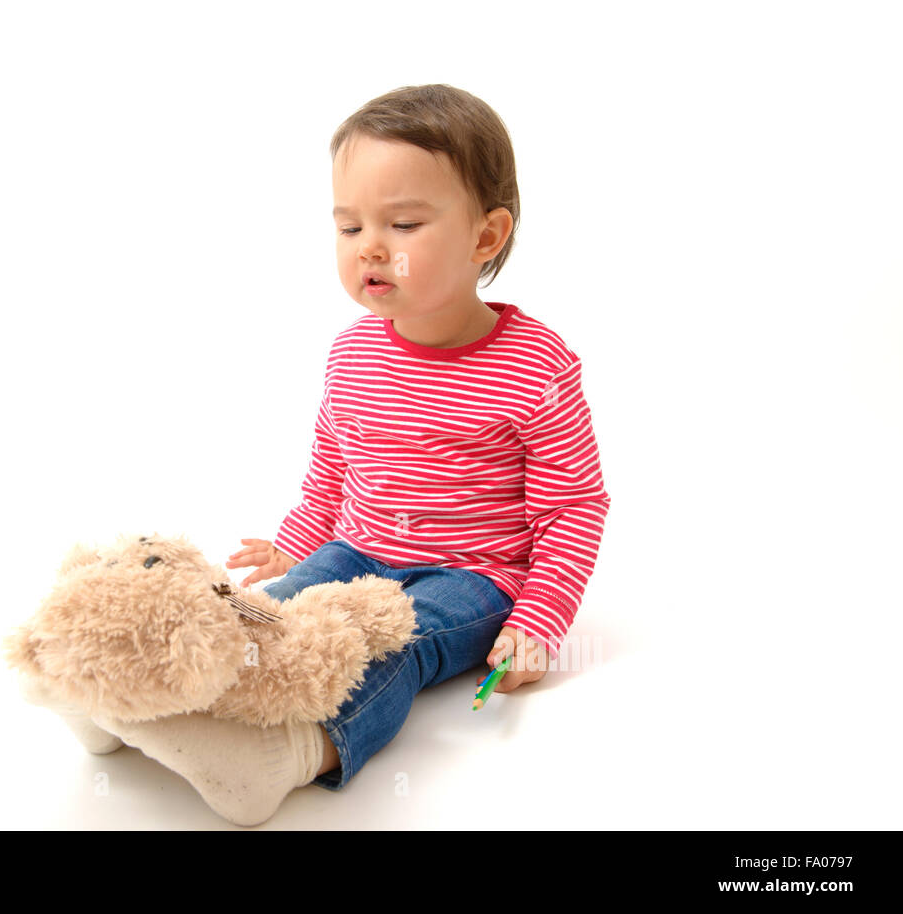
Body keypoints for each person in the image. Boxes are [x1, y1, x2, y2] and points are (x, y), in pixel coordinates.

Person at [88, 84, 612, 827]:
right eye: (348, 225)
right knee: (269, 614)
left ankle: (294, 754)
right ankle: (143, 701)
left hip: (474, 575)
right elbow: (333, 469)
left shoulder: (536, 364)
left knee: (387, 640)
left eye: (402, 222)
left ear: (486, 237)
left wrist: (539, 617)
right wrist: (297, 548)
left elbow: (573, 504)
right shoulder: (353, 351)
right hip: (357, 545)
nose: (369, 245)